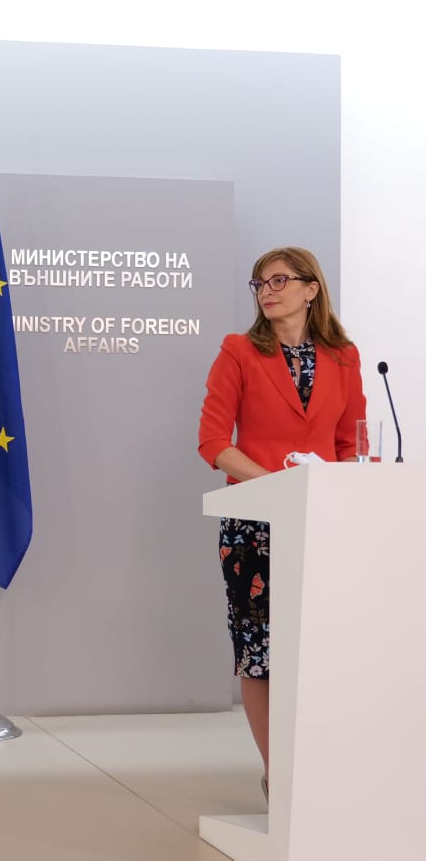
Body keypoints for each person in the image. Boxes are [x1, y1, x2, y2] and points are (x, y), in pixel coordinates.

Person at [197, 246, 364, 796]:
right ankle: (280, 775)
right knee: (260, 651)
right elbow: (214, 442)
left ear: (311, 289)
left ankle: (321, 766)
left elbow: (350, 444)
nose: (267, 291)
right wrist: (277, 484)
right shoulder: (239, 351)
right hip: (255, 524)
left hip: (322, 523)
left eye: (279, 280)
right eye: (259, 283)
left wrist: (336, 486)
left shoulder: (344, 357)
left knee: (320, 648)